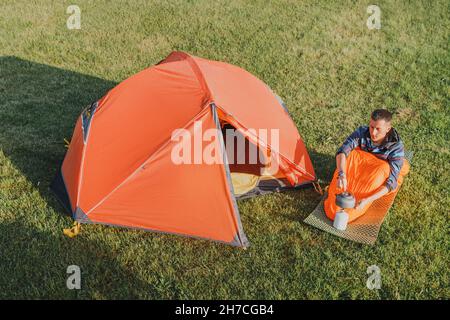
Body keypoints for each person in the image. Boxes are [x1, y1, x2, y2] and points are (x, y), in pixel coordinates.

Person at [324, 109, 410, 222]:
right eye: (371, 127)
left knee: (390, 168)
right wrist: (341, 174)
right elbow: (342, 151)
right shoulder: (361, 132)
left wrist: (368, 200)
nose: (373, 133)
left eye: (378, 129)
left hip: (378, 170)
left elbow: (391, 183)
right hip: (360, 163)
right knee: (350, 155)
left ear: (388, 129)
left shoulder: (396, 147)